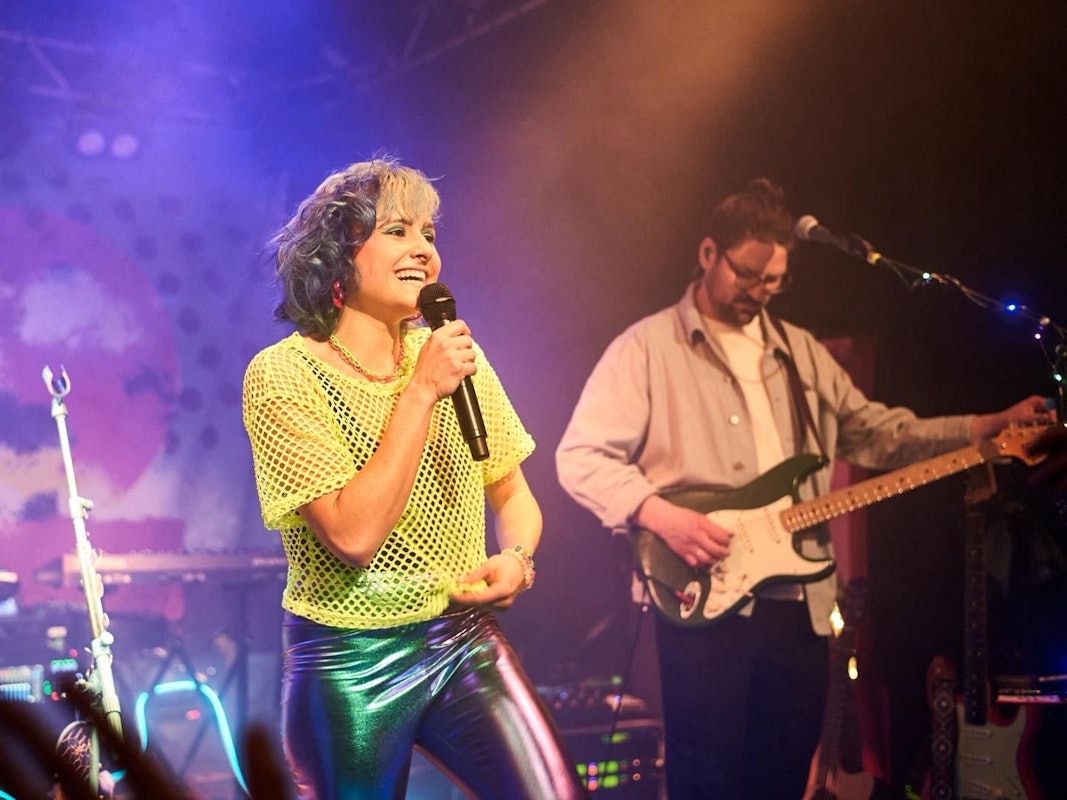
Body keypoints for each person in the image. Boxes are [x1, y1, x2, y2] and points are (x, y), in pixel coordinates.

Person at [554, 177, 1053, 799]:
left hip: (802, 602)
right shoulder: (646, 348)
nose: (759, 293)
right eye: (746, 275)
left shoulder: (801, 353)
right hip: (698, 594)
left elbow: (880, 435)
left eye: (774, 281)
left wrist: (988, 425)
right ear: (709, 253)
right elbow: (579, 456)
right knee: (705, 774)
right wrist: (662, 515)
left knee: (784, 769)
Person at [242, 157, 586, 799]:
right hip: (349, 660)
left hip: (462, 639)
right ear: (338, 253)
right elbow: (352, 535)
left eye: (429, 234)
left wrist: (517, 558)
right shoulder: (283, 375)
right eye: (398, 231)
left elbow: (514, 495)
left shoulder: (455, 357)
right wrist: (421, 390)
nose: (423, 250)